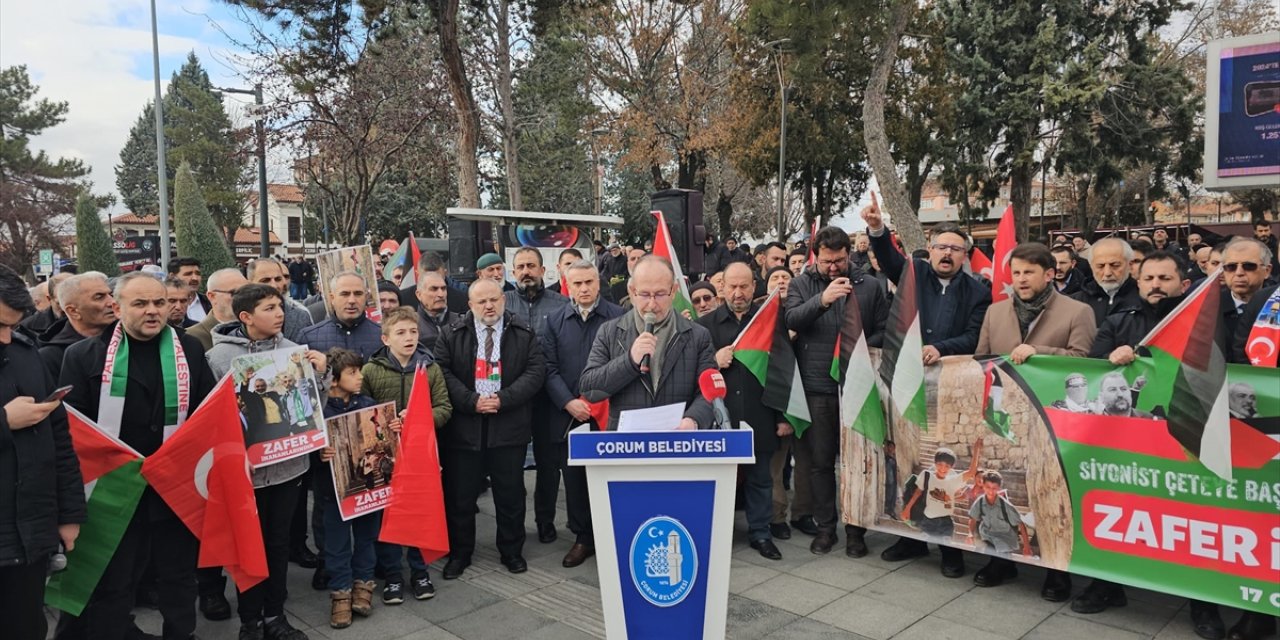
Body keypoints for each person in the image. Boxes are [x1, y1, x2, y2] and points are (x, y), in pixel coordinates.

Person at [58, 271, 217, 640]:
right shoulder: (81, 356)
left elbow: (207, 414)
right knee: (115, 580)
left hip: (174, 488)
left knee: (178, 578)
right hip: (113, 492)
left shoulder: (190, 348)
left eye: (159, 302)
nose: (153, 311)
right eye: (140, 303)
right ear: (116, 306)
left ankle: (182, 633)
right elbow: (72, 431)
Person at [865, 203, 991, 575]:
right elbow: (889, 259)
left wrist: (942, 349)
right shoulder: (914, 274)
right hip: (907, 385)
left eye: (955, 249)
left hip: (951, 391)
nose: (947, 254)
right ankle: (911, 538)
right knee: (910, 460)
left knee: (944, 463)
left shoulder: (976, 291)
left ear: (965, 256)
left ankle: (950, 550)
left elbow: (974, 334)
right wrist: (877, 229)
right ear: (930, 250)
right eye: (941, 247)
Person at [976, 242, 1096, 604]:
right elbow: (981, 359)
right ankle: (1001, 559)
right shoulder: (995, 312)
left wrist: (1041, 353)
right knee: (1003, 491)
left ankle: (1057, 571)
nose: (1021, 279)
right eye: (1016, 272)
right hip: (1005, 420)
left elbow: (1086, 363)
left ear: (1050, 274)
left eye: (1029, 272)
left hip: (1053, 423)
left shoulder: (1079, 311)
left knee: (1052, 495)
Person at [206, 284, 328, 640]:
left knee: (277, 544)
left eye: (280, 306)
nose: (280, 313)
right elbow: (208, 415)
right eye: (270, 308)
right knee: (248, 546)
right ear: (245, 317)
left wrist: (320, 372)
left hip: (289, 468)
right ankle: (250, 619)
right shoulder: (219, 358)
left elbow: (312, 408)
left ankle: (275, 615)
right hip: (245, 473)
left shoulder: (294, 352)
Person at [785, 226, 887, 556]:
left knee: (858, 463)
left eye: (840, 261)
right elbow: (792, 318)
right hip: (817, 388)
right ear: (816, 256)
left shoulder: (870, 285)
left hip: (857, 387)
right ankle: (826, 528)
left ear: (848, 254)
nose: (833, 268)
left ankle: (857, 530)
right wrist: (822, 301)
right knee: (820, 463)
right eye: (827, 261)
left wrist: (859, 352)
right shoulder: (801, 284)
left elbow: (885, 329)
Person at [434, 279, 545, 580]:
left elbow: (536, 371)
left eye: (494, 299)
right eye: (481, 301)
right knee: (461, 497)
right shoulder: (451, 334)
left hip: (508, 426)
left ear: (504, 299)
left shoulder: (523, 333)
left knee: (510, 495)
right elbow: (441, 371)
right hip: (465, 428)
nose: (489, 305)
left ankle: (512, 551)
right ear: (470, 305)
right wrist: (472, 401)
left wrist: (502, 400)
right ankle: (460, 553)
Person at [0, 265, 85, 640]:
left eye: (12, 327)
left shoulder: (25, 353)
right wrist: (4, 421)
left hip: (28, 534)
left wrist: (68, 514)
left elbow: (59, 440)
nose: (6, 338)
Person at [358, 307, 451, 603]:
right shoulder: (371, 370)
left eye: (413, 332)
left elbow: (444, 409)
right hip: (386, 456)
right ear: (386, 338)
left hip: (420, 456)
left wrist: (419, 418)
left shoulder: (430, 368)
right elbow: (363, 413)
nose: (409, 337)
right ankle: (393, 576)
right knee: (390, 514)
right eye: (401, 333)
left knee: (419, 511)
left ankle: (420, 571)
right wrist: (386, 425)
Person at [540, 260, 626, 568]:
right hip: (570, 416)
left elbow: (627, 364)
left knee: (611, 479)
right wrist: (567, 402)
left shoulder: (619, 317)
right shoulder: (554, 321)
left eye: (589, 282)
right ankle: (584, 538)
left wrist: (602, 398)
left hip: (609, 414)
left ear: (599, 283)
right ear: (567, 285)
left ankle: (616, 534)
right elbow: (547, 368)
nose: (584, 288)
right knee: (574, 481)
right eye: (577, 284)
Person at [699, 262, 788, 561]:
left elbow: (783, 371)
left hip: (759, 414)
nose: (738, 293)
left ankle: (761, 533)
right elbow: (691, 373)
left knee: (761, 479)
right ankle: (716, 533)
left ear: (754, 287)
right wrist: (713, 360)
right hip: (718, 418)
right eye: (732, 286)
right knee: (718, 480)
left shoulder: (769, 322)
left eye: (744, 286)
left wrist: (783, 417)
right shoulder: (705, 326)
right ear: (721, 287)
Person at [579, 255, 717, 430]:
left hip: (679, 443)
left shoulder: (698, 336)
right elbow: (590, 389)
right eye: (644, 294)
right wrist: (629, 361)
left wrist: (693, 420)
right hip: (626, 447)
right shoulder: (610, 332)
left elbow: (709, 394)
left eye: (660, 294)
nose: (652, 304)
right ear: (631, 291)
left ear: (673, 291)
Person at [503, 248, 569, 542]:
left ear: (544, 271)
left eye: (532, 266)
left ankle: (545, 520)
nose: (526, 271)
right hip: (513, 398)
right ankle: (514, 525)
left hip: (548, 397)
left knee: (547, 463)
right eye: (520, 267)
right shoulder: (502, 304)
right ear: (512, 272)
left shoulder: (562, 305)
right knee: (511, 465)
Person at [1228, 282, 1280, 640]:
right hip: (1270, 423)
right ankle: (1260, 612)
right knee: (1266, 521)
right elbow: (1240, 348)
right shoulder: (1268, 300)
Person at [37, 272, 115, 379]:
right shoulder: (51, 357)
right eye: (99, 297)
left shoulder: (128, 340)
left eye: (111, 295)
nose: (112, 302)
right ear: (73, 311)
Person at [968, 471, 1032, 588]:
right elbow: (972, 519)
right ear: (982, 485)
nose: (991, 491)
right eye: (988, 487)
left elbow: (1020, 524)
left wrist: (1027, 547)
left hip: (1004, 536)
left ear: (999, 488)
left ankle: (999, 569)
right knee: (990, 548)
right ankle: (1007, 568)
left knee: (1001, 552)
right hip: (987, 534)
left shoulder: (1005, 505)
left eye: (994, 488)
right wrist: (970, 534)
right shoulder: (980, 501)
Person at [298, 272, 384, 359]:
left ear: (366, 297)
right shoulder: (308, 337)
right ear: (332, 298)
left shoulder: (383, 335)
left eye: (358, 294)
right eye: (345, 294)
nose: (352, 300)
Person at [1072, 237, 1143, 326]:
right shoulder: (1075, 303)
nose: (1107, 273)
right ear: (1091, 266)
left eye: (1115, 265)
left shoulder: (1145, 299)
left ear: (1129, 265)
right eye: (1100, 266)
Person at [248, 258, 315, 344]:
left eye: (278, 279)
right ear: (249, 284)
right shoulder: (236, 317)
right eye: (265, 280)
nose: (274, 285)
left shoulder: (301, 316)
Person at [187, 268, 249, 351]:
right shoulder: (192, 337)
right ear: (212, 296)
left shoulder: (259, 330)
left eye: (246, 292)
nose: (243, 298)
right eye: (235, 293)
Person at [415, 271, 460, 353]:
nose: (441, 294)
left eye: (443, 288)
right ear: (419, 295)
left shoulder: (460, 322)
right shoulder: (411, 325)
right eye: (434, 289)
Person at [19, 271, 70, 337]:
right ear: (49, 299)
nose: (67, 308)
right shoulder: (28, 327)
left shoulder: (87, 321)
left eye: (74, 303)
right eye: (59, 303)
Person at [168, 257, 211, 323]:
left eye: (198, 274)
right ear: (172, 277)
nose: (195, 278)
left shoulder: (210, 302)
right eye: (188, 274)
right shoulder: (162, 305)